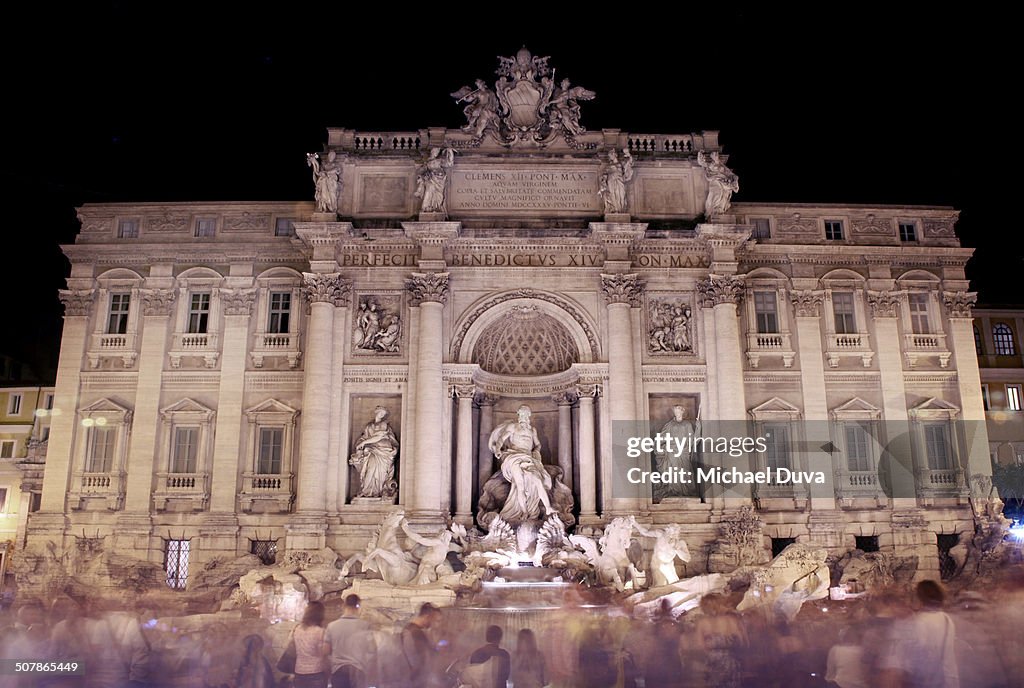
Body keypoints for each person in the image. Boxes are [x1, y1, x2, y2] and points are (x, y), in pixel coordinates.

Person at [879, 580, 959, 688]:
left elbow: (913, 658)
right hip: (946, 681)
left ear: (919, 598)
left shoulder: (917, 622)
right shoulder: (947, 619)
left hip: (923, 682)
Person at [487, 405, 554, 524]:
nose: (522, 416)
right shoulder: (513, 427)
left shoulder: (532, 430)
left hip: (528, 458)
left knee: (538, 480)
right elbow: (501, 439)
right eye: (521, 414)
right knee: (520, 486)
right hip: (514, 457)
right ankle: (524, 511)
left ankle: (548, 508)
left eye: (525, 414)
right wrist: (498, 449)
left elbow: (537, 444)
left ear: (529, 415)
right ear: (518, 415)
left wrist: (537, 451)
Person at [325, 595, 376, 688]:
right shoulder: (365, 626)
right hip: (358, 670)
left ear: (344, 605)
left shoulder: (331, 626)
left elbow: (326, 651)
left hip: (338, 670)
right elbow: (372, 649)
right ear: (358, 606)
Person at [350, 406, 399, 498]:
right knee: (370, 469)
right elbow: (364, 437)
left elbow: (379, 437)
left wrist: (364, 442)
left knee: (380, 472)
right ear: (376, 412)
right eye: (381, 413)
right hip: (371, 451)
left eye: (383, 414)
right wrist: (360, 444)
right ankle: (367, 491)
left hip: (384, 451)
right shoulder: (369, 426)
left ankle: (378, 491)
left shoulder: (384, 424)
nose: (382, 415)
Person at [654, 405, 698, 499]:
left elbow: (691, 439)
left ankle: (686, 492)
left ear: (682, 412)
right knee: (673, 470)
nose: (677, 413)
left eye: (679, 411)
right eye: (676, 411)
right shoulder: (670, 425)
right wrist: (659, 445)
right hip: (672, 451)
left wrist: (698, 429)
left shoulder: (687, 424)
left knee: (685, 470)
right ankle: (673, 491)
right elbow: (662, 437)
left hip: (684, 451)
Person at [401, 603, 443, 688]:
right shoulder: (413, 632)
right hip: (414, 682)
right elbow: (416, 661)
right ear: (427, 617)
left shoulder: (413, 630)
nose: (436, 624)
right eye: (435, 620)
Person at [292, 601, 329, 688]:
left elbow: (293, 648)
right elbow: (324, 653)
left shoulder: (297, 629)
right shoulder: (320, 631)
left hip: (299, 672)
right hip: (316, 672)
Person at [598, 148, 634, 214]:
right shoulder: (608, 166)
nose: (610, 157)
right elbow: (604, 175)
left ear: (614, 155)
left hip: (619, 180)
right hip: (611, 181)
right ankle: (615, 209)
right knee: (613, 194)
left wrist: (628, 155)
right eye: (609, 156)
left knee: (621, 194)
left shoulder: (621, 164)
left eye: (610, 155)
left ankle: (620, 209)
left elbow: (629, 164)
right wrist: (603, 180)